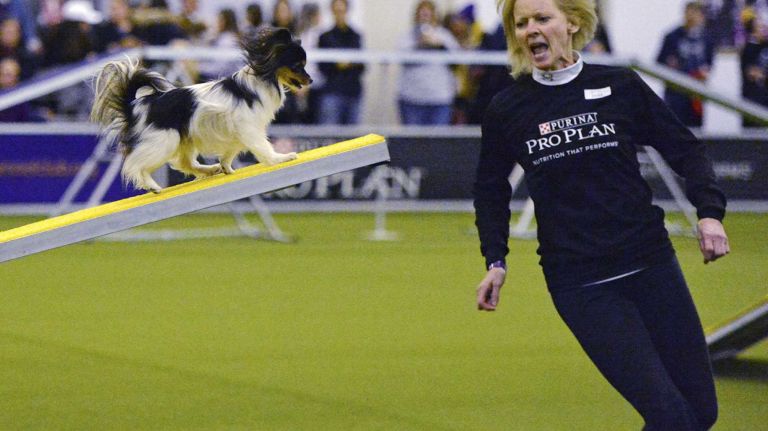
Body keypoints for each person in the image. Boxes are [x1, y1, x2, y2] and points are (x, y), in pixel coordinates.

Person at [474, 0, 729, 430]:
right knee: (671, 418)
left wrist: (709, 213)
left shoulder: (620, 85)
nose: (530, 30)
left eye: (542, 18)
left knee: (701, 413)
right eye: (521, 23)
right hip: (583, 285)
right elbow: (490, 189)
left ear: (571, 23)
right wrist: (495, 260)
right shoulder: (508, 108)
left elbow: (685, 149)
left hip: (653, 267)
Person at [397, 0, 460, 125]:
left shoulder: (445, 36)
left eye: (428, 14)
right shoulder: (407, 37)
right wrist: (421, 45)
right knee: (412, 142)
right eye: (422, 14)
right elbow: (403, 59)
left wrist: (439, 45)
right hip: (411, 99)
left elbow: (457, 61)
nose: (425, 17)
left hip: (440, 99)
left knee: (437, 142)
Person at [656, 1, 714, 128]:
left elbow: (709, 64)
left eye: (696, 14)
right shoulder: (672, 37)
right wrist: (669, 65)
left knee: (696, 132)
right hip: (675, 94)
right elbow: (658, 63)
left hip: (696, 95)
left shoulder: (707, 39)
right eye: (690, 13)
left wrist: (704, 73)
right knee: (675, 128)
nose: (692, 17)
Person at [317, 0, 365, 124]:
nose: (339, 14)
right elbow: (322, 67)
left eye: (342, 11)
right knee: (330, 136)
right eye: (336, 11)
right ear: (332, 12)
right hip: (332, 91)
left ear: (347, 11)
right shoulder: (325, 37)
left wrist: (347, 63)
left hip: (353, 92)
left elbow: (362, 66)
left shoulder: (356, 36)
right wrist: (338, 64)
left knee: (352, 140)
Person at [739, 7, 768, 127]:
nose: (764, 29)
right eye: (761, 26)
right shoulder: (748, 49)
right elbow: (752, 73)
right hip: (752, 102)